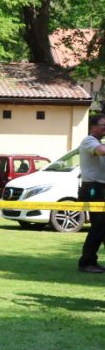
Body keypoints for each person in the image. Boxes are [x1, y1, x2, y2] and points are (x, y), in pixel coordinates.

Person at [77, 113, 105, 273]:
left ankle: (91, 261)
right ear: (93, 127)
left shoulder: (99, 142)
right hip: (93, 188)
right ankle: (86, 262)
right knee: (98, 226)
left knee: (102, 227)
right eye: (103, 125)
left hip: (100, 187)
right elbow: (101, 151)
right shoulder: (89, 141)